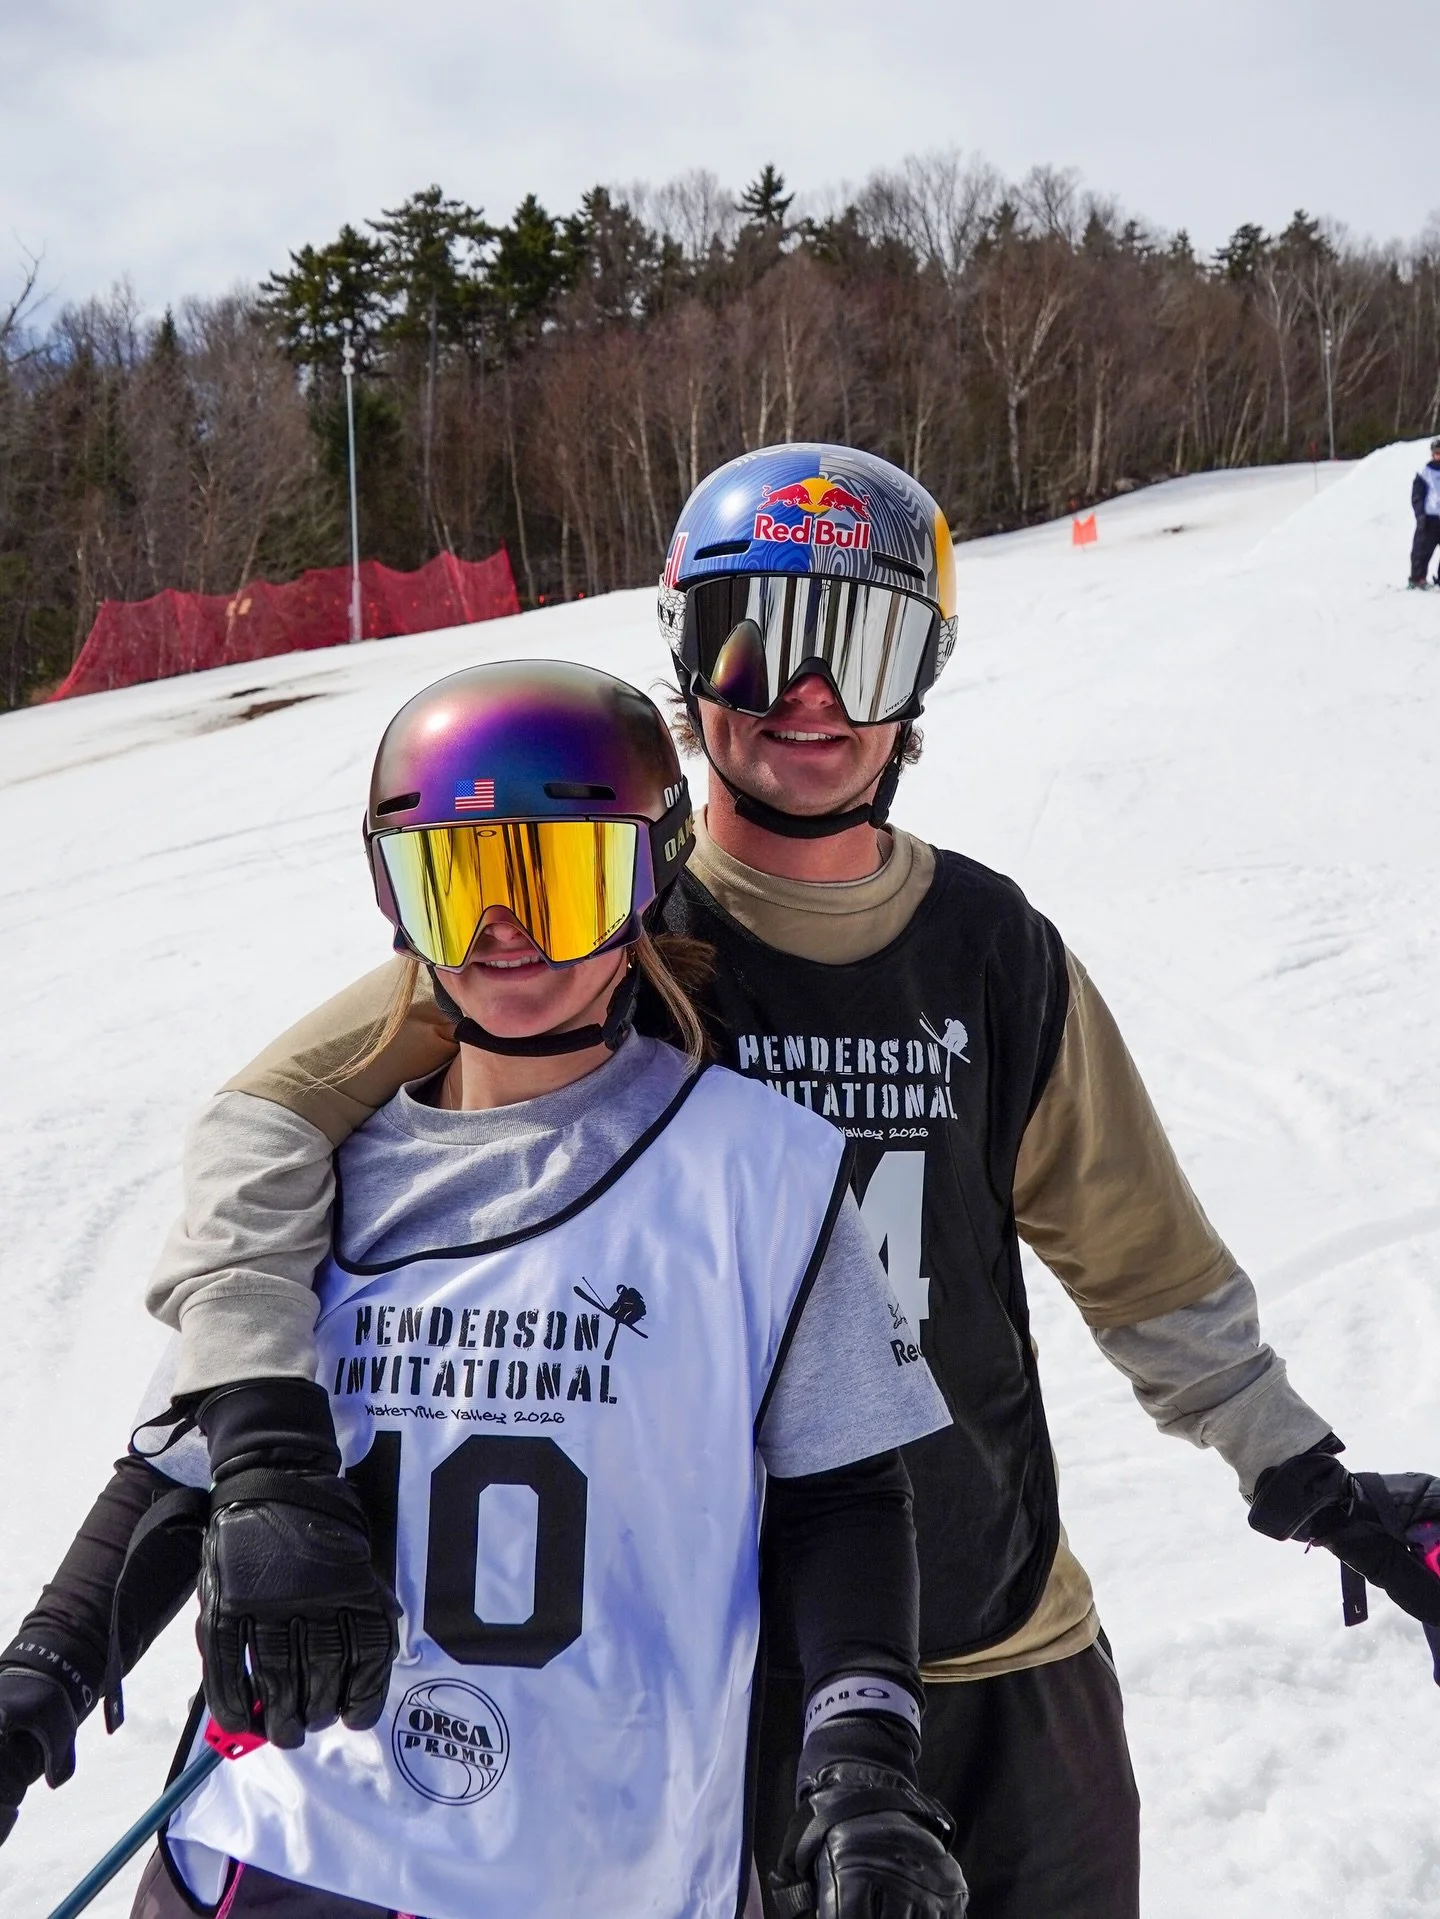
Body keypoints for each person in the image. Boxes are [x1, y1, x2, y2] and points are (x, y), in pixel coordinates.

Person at [78, 446, 1440, 1917]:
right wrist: (265, 1449)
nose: (808, 696)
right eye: (755, 643)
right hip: (734, 1679)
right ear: (686, 658)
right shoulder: (595, 921)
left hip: (1002, 1639)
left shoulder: (993, 948)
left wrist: (1303, 1473)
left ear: (922, 677)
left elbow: (1147, 1264)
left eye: (864, 647)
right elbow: (263, 1129)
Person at [0, 659, 972, 1919]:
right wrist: (39, 1684)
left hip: (591, 1866)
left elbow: (843, 1496)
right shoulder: (321, 1179)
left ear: (648, 876)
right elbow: (178, 1474)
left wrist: (863, 1766)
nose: (503, 934)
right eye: (456, 885)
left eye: (557, 882)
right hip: (279, 1848)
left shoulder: (756, 1171)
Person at [1410, 437, 1440, 588]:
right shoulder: (1425, 472)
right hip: (1430, 518)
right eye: (1437, 453)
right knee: (1422, 550)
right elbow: (1417, 496)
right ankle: (1418, 578)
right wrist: (1420, 515)